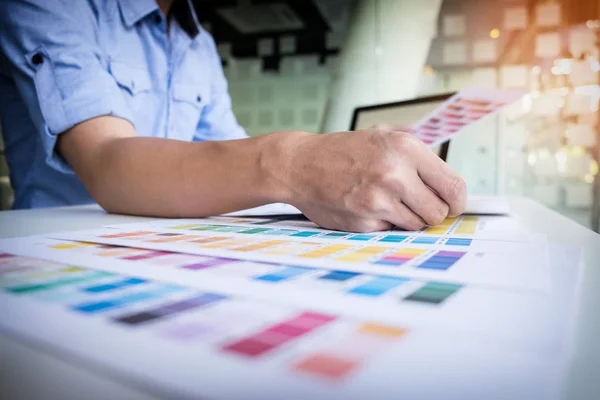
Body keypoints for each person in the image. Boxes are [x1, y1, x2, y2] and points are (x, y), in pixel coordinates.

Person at [0, 0, 467, 233]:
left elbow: (231, 154)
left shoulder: (196, 42)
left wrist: (336, 159)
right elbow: (107, 162)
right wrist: (297, 160)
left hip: (164, 246)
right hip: (55, 248)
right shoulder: (51, 6)